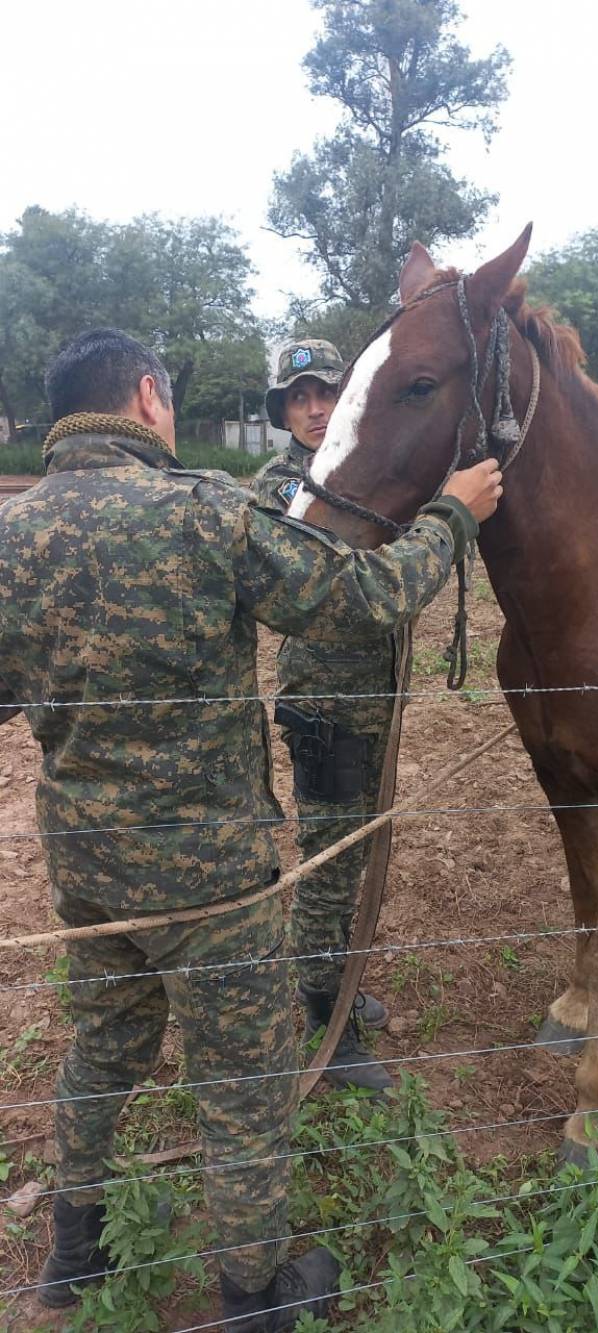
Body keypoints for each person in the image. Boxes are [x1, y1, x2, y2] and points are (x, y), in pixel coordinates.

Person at [0, 329, 502, 1331]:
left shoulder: (13, 536)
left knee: (104, 1045)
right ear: (149, 397)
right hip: (209, 881)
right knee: (245, 1080)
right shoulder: (205, 514)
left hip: (88, 870)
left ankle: (71, 1255)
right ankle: (254, 1295)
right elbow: (363, 596)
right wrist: (453, 516)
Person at [253, 340, 398, 1095]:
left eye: (324, 393)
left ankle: (334, 986)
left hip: (376, 704)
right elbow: (333, 586)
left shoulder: (367, 479)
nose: (314, 408)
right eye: (298, 396)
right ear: (280, 410)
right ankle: (322, 1022)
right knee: (330, 864)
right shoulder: (283, 488)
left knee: (359, 848)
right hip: (326, 709)